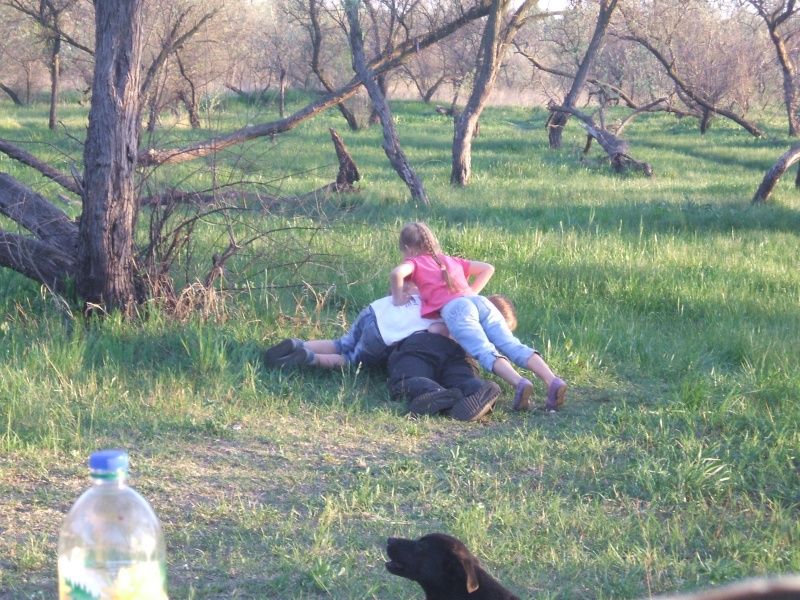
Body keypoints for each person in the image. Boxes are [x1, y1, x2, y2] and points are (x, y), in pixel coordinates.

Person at [389, 221, 567, 412]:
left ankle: (519, 382)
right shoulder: (450, 260)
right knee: (511, 343)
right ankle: (552, 380)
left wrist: (399, 299)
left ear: (407, 248)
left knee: (484, 350)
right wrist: (471, 293)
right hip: (479, 301)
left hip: (456, 308)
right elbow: (487, 268)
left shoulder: (414, 262)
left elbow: (397, 273)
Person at [263, 288, 441, 370]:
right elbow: (435, 332)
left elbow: (396, 290)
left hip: (375, 311)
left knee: (341, 343)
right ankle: (311, 359)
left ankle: (298, 345)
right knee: (352, 360)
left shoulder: (428, 289)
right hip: (383, 334)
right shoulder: (444, 317)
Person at [387, 331, 501, 422]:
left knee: (409, 378)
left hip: (419, 343)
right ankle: (477, 388)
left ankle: (434, 392)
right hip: (458, 350)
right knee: (462, 379)